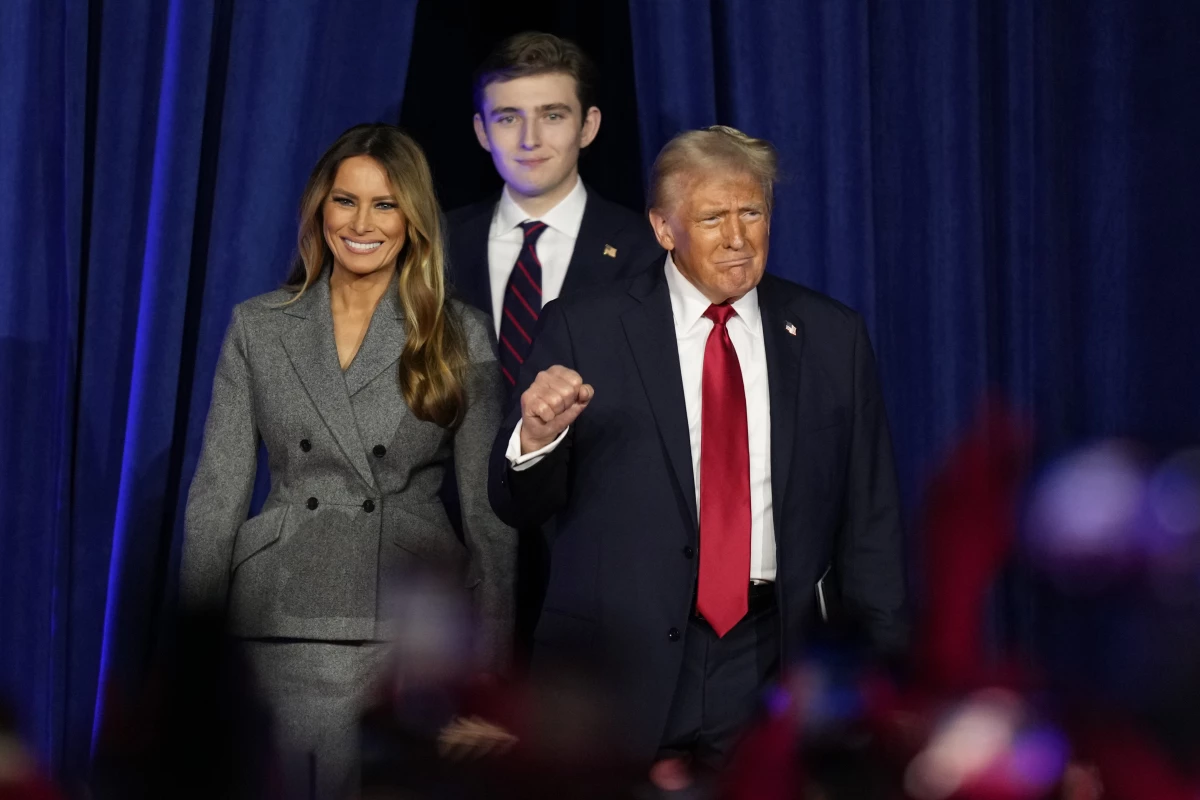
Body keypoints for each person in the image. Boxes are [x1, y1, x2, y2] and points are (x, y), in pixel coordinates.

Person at [487, 126, 909, 770]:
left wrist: (881, 680)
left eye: (753, 213)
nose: (738, 237)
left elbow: (871, 523)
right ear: (664, 228)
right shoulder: (585, 325)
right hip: (619, 665)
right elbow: (518, 504)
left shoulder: (831, 335)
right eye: (713, 218)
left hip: (775, 658)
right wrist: (537, 439)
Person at [182, 123, 514, 799]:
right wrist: (190, 662)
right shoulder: (260, 325)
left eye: (385, 204)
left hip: (407, 631)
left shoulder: (460, 333)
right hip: (277, 620)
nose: (362, 223)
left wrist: (489, 681)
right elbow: (216, 497)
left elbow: (490, 521)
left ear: (413, 218)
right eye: (345, 201)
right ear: (318, 209)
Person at [445, 32, 662, 655]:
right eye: (508, 118)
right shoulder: (433, 246)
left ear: (589, 126)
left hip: (594, 551)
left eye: (553, 115)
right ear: (483, 132)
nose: (530, 139)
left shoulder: (649, 250)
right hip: (458, 561)